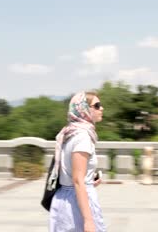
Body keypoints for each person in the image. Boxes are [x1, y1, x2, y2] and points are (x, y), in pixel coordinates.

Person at [49, 91, 106, 232]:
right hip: (76, 203)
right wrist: (88, 221)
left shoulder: (70, 133)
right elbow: (77, 180)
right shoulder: (82, 137)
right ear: (84, 109)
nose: (102, 108)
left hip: (66, 197)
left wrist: (89, 181)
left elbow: (71, 174)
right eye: (97, 105)